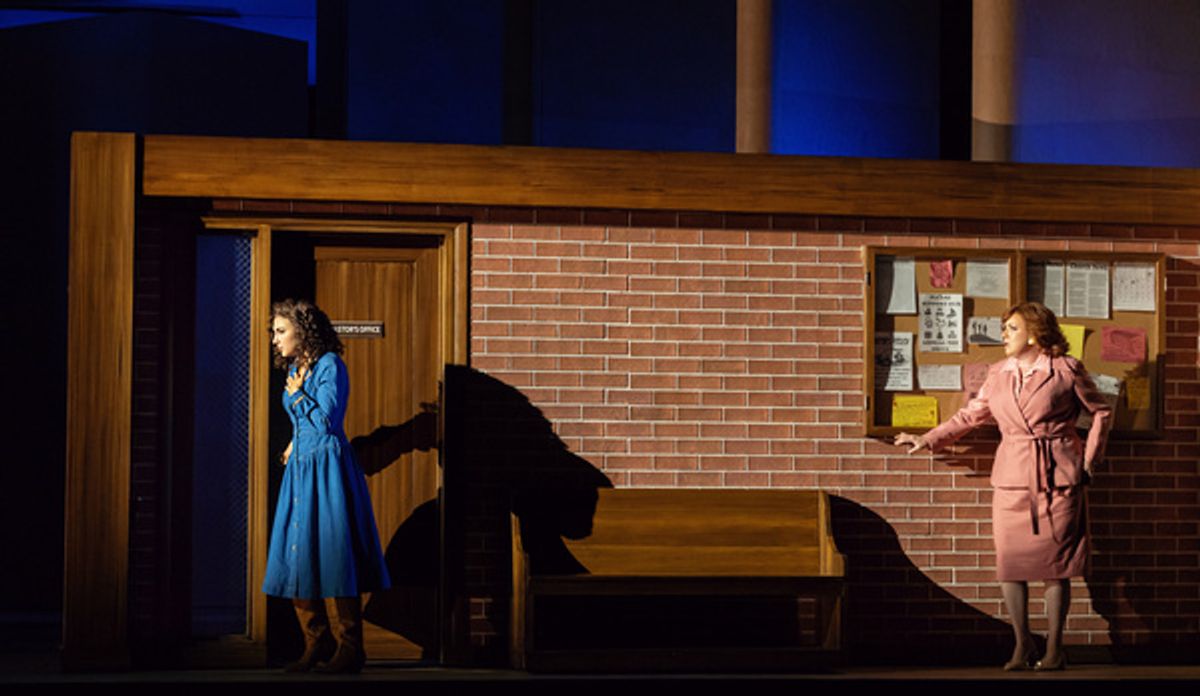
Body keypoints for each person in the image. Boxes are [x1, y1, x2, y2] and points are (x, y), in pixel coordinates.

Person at [894, 302, 1111, 671]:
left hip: (1057, 474)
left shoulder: (1065, 369)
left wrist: (1089, 461)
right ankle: (1022, 644)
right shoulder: (998, 373)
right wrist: (928, 438)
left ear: (1033, 331)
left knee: (1055, 567)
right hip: (1012, 476)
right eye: (1004, 328)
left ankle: (1055, 649)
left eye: (1011, 328)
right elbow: (970, 415)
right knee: (1010, 565)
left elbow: (1102, 411)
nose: (1004, 335)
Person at [263, 299, 391, 673]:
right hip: (301, 468)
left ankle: (352, 649)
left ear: (303, 332)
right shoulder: (296, 368)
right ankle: (317, 641)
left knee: (335, 552)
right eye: (275, 331)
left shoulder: (330, 366)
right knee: (295, 553)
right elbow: (305, 425)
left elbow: (329, 420)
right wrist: (293, 443)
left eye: (281, 331)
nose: (275, 339)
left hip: (328, 469)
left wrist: (300, 396)